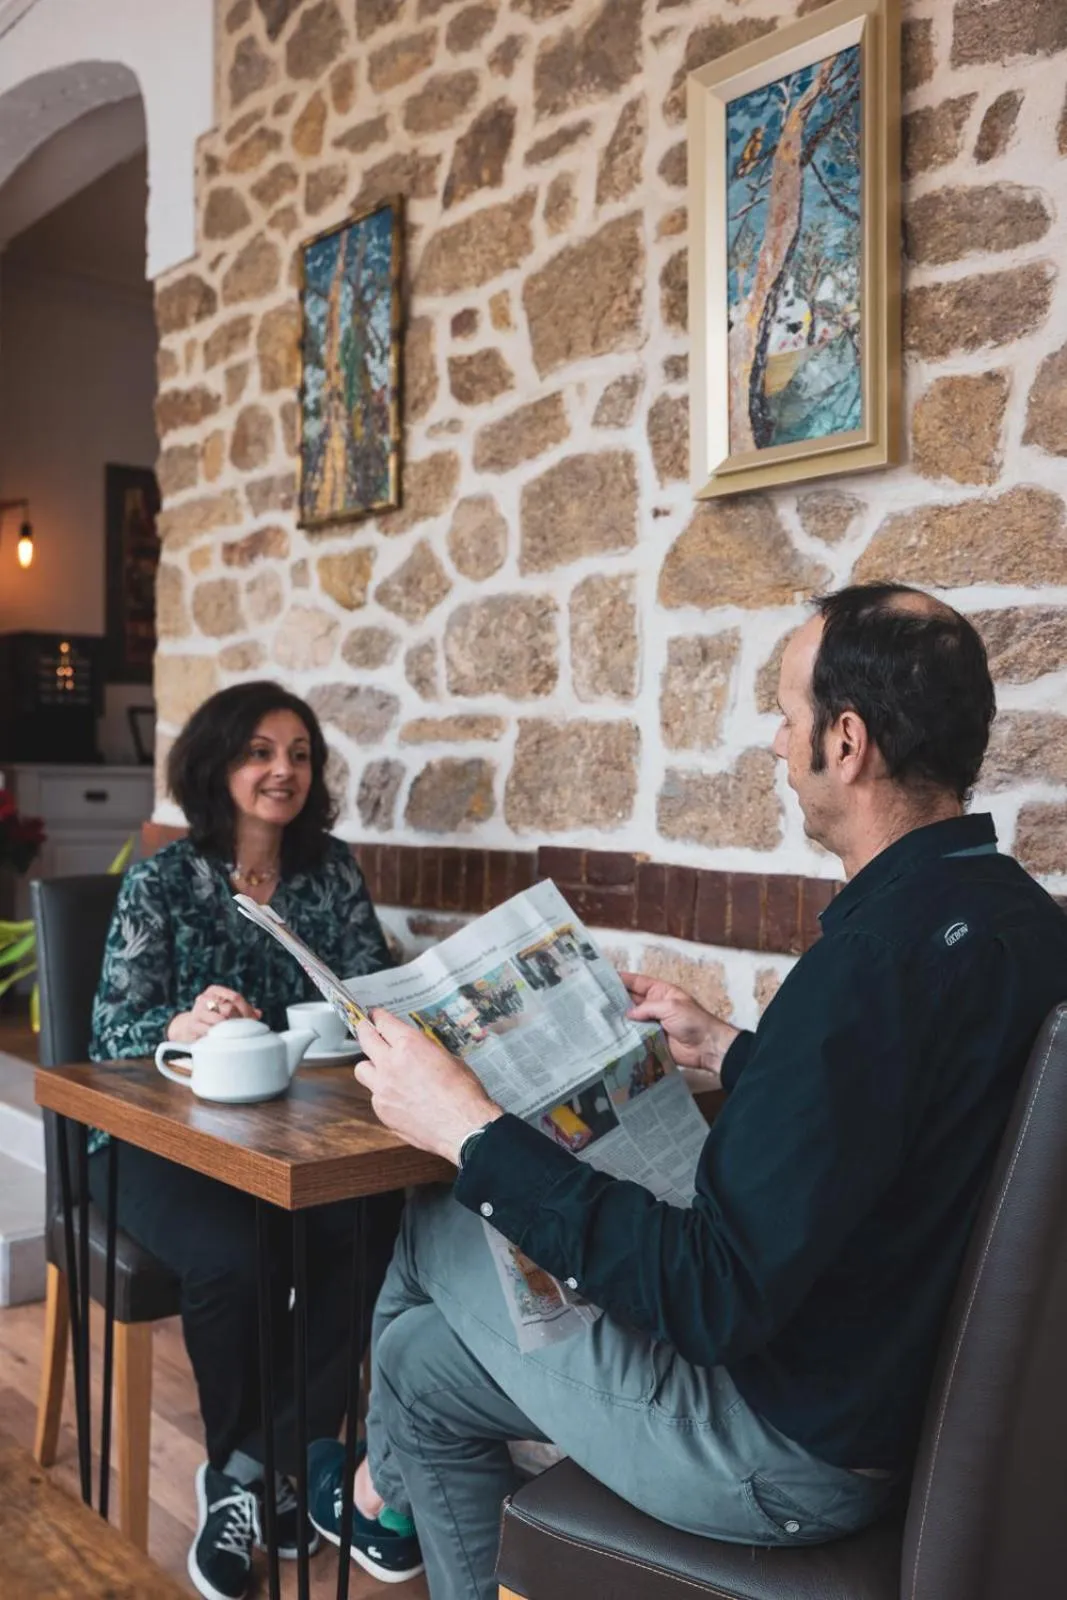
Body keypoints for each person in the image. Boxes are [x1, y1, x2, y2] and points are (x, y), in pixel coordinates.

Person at [304, 584, 1067, 1599]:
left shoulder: (864, 970)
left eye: (784, 714)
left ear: (846, 743)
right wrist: (735, 1051)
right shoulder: (1015, 921)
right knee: (416, 1358)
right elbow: (902, 1114)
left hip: (781, 1451)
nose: (771, 742)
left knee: (439, 1210)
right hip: (882, 1399)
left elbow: (707, 1298)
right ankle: (385, 1485)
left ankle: (374, 1490)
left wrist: (469, 1128)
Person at [89, 681, 401, 1600]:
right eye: (260, 752)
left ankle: (258, 1466)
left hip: (296, 1139)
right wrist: (183, 1022)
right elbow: (109, 1031)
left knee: (369, 1228)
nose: (282, 771)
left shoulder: (329, 872)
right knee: (237, 1256)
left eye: (299, 754)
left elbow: (368, 990)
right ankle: (250, 1470)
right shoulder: (164, 880)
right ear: (219, 765)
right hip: (160, 1138)